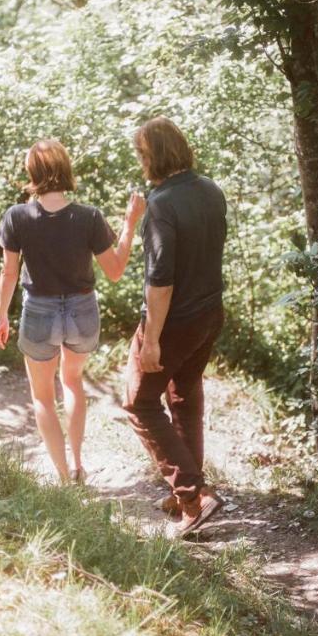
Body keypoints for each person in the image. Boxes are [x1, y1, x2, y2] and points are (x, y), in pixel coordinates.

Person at [0, 139, 145, 483]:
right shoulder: (88, 216)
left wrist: (1, 315)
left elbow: (9, 272)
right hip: (82, 310)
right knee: (73, 382)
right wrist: (130, 223)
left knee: (43, 397)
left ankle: (63, 476)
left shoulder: (18, 216)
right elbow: (116, 270)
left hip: (40, 312)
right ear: (65, 169)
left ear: (32, 173)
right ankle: (77, 464)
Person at [122, 118, 228, 540]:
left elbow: (160, 279)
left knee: (139, 402)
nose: (140, 162)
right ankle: (187, 488)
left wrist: (151, 339)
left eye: (142, 154)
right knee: (183, 397)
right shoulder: (210, 190)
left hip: (176, 321)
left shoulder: (161, 203)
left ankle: (193, 497)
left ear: (156, 156)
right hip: (209, 313)